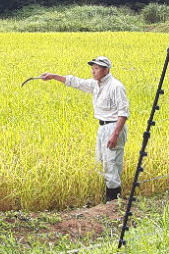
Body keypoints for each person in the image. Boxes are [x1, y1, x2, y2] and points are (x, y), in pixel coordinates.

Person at [40, 56, 129, 202]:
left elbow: (123, 112)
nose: (93, 72)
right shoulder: (95, 84)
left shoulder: (116, 86)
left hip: (114, 127)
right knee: (100, 162)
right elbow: (76, 82)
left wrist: (115, 134)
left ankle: (113, 204)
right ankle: (105, 201)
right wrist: (53, 76)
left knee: (111, 164)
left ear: (106, 70)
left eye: (97, 69)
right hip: (102, 127)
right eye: (92, 68)